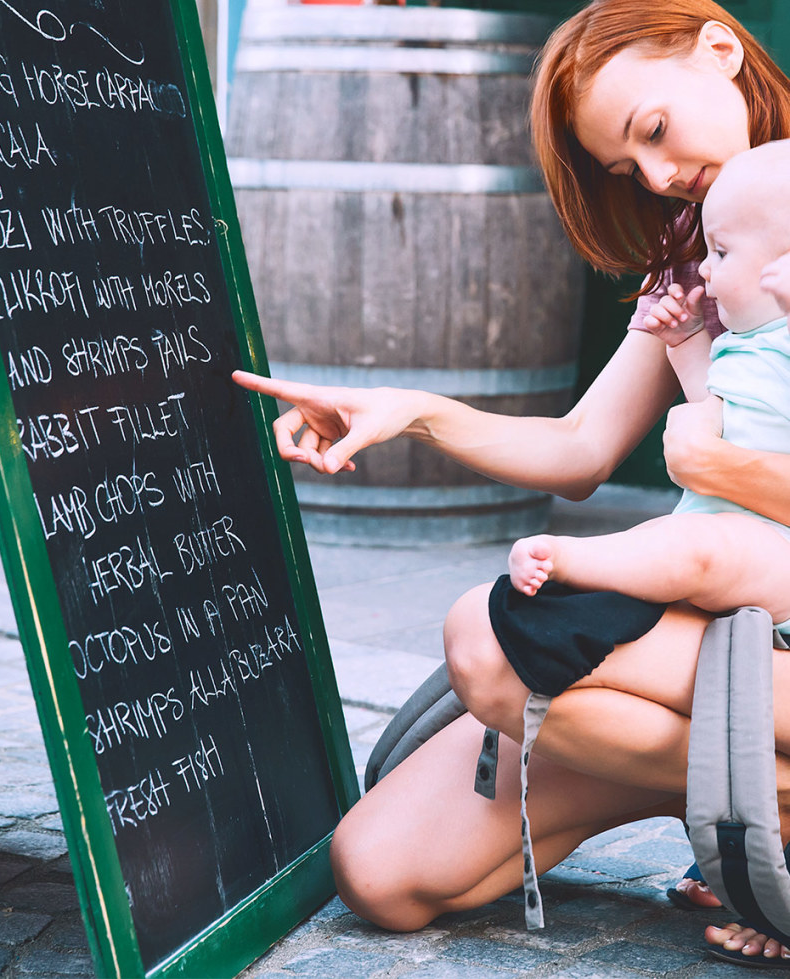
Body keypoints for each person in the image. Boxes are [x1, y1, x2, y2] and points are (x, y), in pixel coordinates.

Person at [233, 0, 790, 966]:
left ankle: (748, 799)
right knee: (381, 869)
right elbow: (580, 448)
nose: (656, 177)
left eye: (652, 131)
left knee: (491, 649)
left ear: (717, 48)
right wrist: (409, 411)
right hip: (705, 658)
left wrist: (718, 463)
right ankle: (755, 799)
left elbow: (700, 460)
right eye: (628, 167)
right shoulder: (712, 261)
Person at [507, 141, 790, 644]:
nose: (704, 269)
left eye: (721, 253)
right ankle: (588, 580)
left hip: (777, 550)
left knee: (702, 549)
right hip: (712, 529)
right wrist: (684, 342)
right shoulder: (742, 346)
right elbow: (716, 405)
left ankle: (568, 560)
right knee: (659, 539)